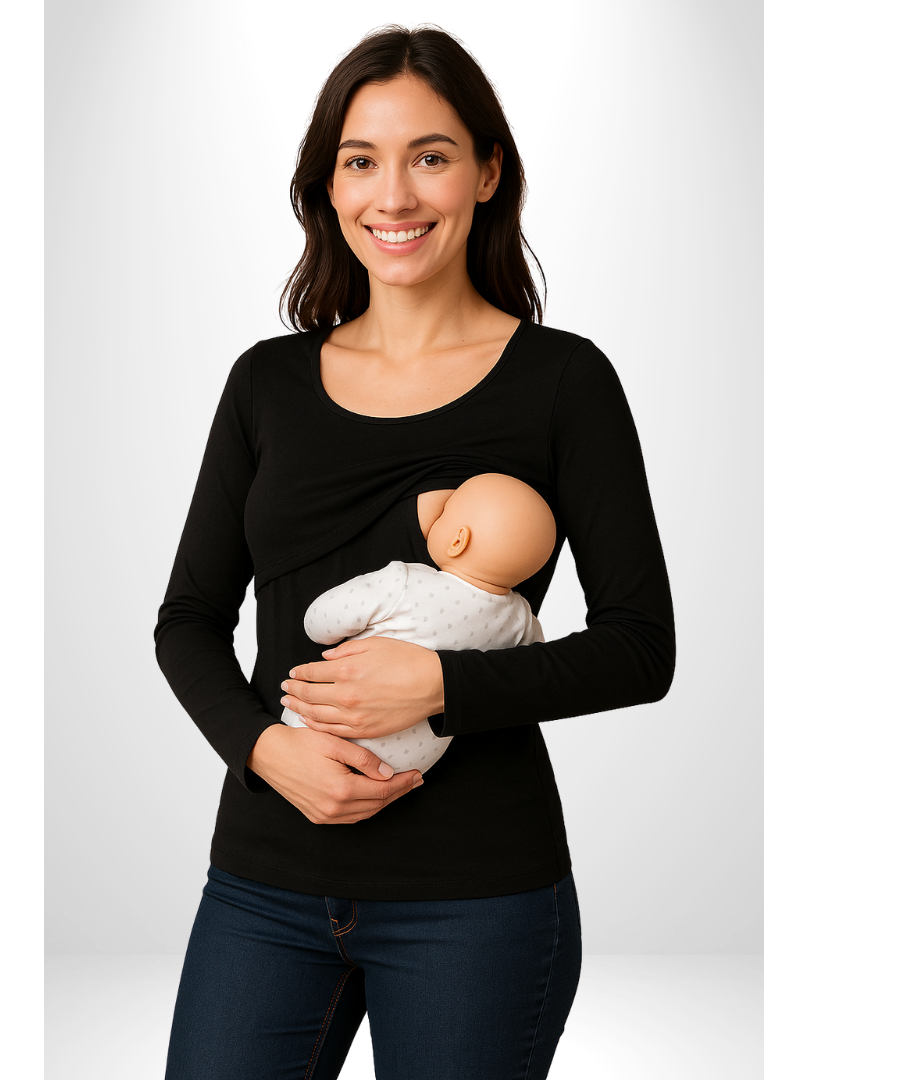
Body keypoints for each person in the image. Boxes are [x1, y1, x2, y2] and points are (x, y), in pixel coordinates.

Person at [154, 23, 674, 1080]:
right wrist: (265, 751)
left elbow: (639, 648)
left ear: (487, 172)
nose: (393, 195)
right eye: (362, 161)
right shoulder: (265, 384)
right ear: (328, 186)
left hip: (478, 898)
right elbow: (189, 622)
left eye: (429, 156)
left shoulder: (564, 382)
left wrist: (439, 686)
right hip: (264, 883)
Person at [280, 472, 557, 774]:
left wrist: (318, 624)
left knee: (297, 723)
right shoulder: (521, 620)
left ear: (458, 541)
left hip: (332, 724)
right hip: (411, 763)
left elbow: (319, 623)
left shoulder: (406, 582)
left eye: (444, 513)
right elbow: (530, 671)